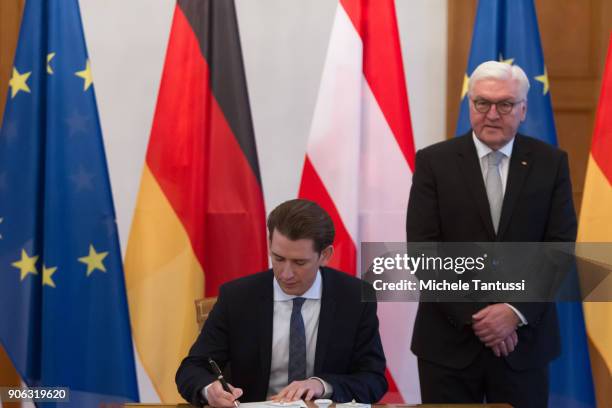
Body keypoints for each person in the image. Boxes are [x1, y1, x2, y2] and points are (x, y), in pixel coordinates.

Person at [406, 61, 576, 408]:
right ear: (470, 104)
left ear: (524, 109)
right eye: (482, 103)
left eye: (505, 104)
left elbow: (558, 248)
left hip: (523, 342)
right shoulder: (434, 162)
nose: (492, 114)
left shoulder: (551, 163)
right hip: (448, 341)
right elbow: (423, 251)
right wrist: (480, 317)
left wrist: (513, 311)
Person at [176, 199, 387, 407]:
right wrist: (209, 390)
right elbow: (192, 369)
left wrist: (323, 385)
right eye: (278, 258)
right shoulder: (237, 297)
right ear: (269, 244)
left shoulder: (354, 297)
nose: (286, 274)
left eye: (299, 262)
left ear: (325, 255)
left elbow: (373, 380)